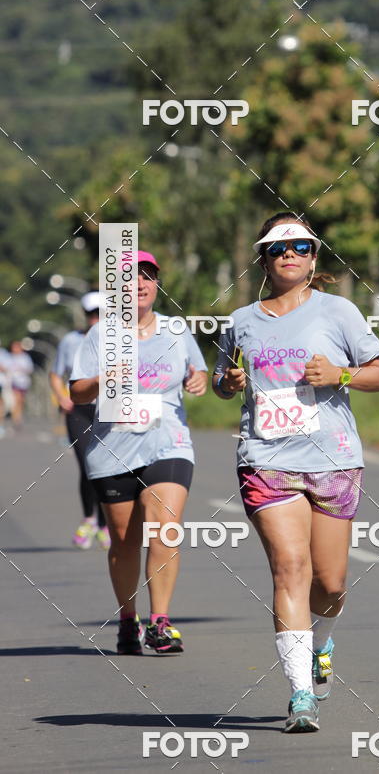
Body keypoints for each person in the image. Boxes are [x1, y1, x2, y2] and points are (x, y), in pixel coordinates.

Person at [214, 213, 379, 733]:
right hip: (266, 458)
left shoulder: (339, 311)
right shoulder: (242, 320)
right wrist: (230, 380)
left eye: (300, 245)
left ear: (314, 256)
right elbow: (225, 384)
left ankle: (321, 644)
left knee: (331, 584)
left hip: (333, 459)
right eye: (277, 247)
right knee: (290, 567)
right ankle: (299, 696)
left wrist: (341, 374)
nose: (289, 253)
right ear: (264, 259)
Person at [70, 251, 208, 655]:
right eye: (130, 279)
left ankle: (160, 623)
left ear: (156, 284)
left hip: (169, 442)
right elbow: (76, 390)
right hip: (113, 449)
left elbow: (195, 370)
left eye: (148, 276)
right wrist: (103, 379)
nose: (140, 284)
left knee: (164, 528)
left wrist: (198, 379)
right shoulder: (100, 336)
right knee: (125, 543)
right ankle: (128, 620)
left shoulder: (177, 330)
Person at [49, 292, 110, 549]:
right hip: (79, 411)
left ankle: (106, 525)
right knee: (88, 463)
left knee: (107, 468)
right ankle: (89, 520)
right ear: (85, 316)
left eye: (100, 314)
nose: (95, 319)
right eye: (91, 314)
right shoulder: (71, 341)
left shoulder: (119, 340)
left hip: (109, 411)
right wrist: (62, 397)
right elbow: (55, 374)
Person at [3, 340, 34, 430]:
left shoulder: (25, 357)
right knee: (16, 399)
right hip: (12, 382)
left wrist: (22, 369)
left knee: (20, 401)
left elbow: (30, 369)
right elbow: (4, 368)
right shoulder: (9, 357)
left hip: (23, 383)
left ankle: (18, 416)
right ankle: (16, 419)